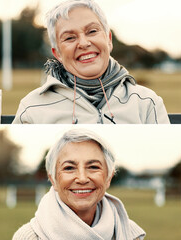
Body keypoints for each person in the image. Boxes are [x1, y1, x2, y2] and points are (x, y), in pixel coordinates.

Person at [12, 0, 169, 124]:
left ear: (108, 40)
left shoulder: (147, 102)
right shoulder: (32, 108)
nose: (84, 43)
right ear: (58, 54)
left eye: (92, 31)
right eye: (69, 37)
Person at [13, 128, 145, 240]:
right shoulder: (29, 237)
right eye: (69, 168)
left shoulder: (129, 234)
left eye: (93, 167)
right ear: (53, 180)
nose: (82, 178)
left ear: (108, 178)